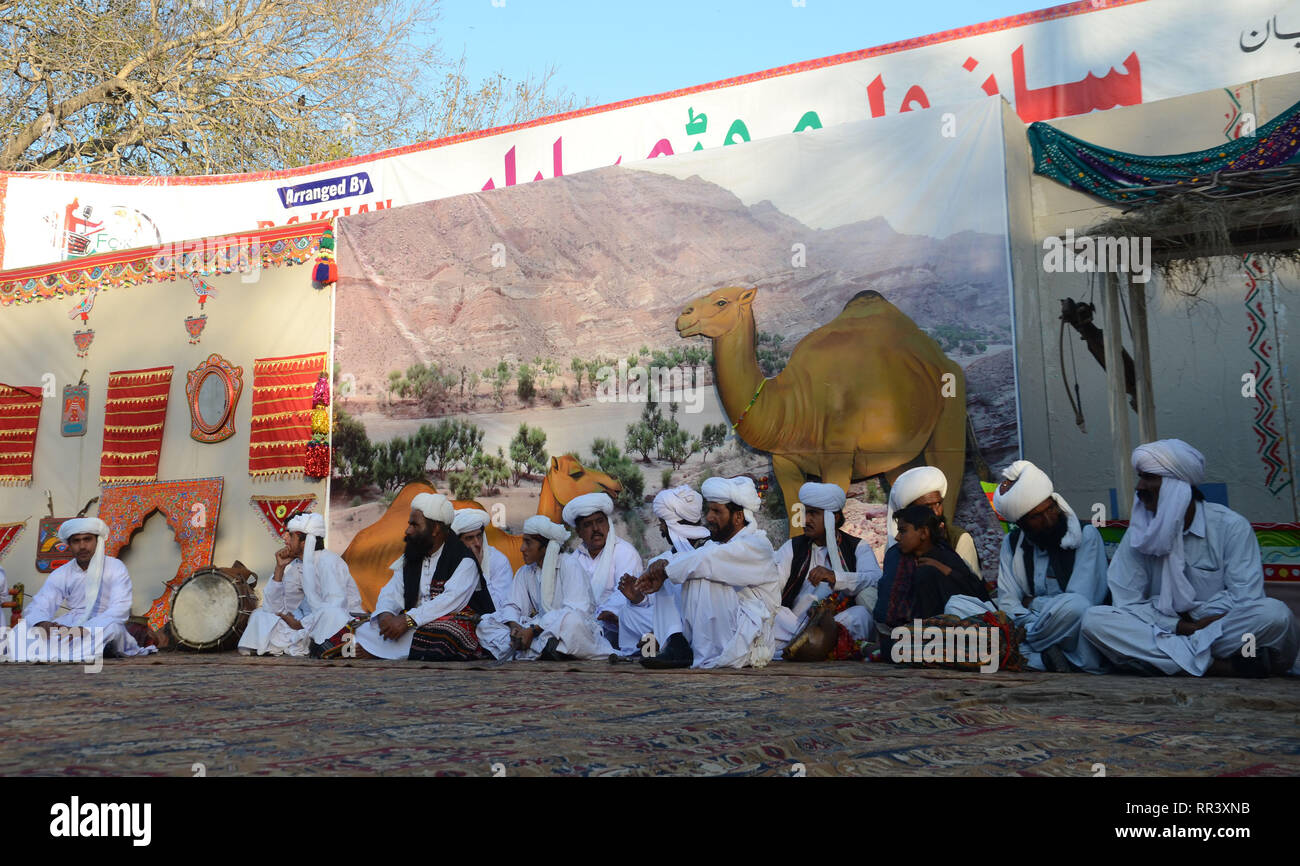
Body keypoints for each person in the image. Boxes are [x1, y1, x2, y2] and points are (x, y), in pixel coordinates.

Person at [1082, 439, 1300, 677]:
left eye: (1149, 478)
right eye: (1140, 477)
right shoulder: (1139, 533)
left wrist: (1198, 620)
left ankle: (1162, 661)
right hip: (1168, 631)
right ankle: (1221, 666)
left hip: (1219, 631)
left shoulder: (1231, 527)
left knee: (1274, 615)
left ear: (1177, 486)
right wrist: (1184, 626)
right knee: (1095, 620)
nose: (1140, 487)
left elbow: (1246, 599)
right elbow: (1126, 602)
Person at [635, 476, 780, 669]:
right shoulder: (715, 545)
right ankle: (677, 642)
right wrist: (661, 567)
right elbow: (699, 557)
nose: (709, 518)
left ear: (738, 517)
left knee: (699, 572)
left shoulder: (757, 545)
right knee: (671, 571)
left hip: (751, 637)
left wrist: (667, 569)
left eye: (717, 511)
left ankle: (696, 650)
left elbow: (710, 559)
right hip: (726, 630)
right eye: (709, 510)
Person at [992, 460, 1108, 673]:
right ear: (1021, 523)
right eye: (1037, 516)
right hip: (1026, 625)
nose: (1048, 519)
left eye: (1051, 508)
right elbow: (1008, 603)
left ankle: (1024, 651)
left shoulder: (1087, 535)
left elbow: (1084, 599)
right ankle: (1044, 657)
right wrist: (1030, 620)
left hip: (1070, 629)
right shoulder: (1012, 543)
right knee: (959, 604)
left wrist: (1033, 603)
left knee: (1076, 606)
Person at [352, 492, 494, 661]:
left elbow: (449, 602)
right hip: (411, 625)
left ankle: (380, 652)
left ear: (434, 529)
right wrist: (385, 615)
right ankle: (389, 651)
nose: (408, 530)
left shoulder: (464, 561)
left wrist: (409, 620)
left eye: (414, 525)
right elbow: (392, 591)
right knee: (363, 628)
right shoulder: (413, 554)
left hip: (449, 623)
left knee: (444, 635)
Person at [8, 517, 154, 661]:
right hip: (72, 622)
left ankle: (76, 650)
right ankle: (86, 651)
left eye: (87, 539)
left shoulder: (115, 567)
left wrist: (85, 629)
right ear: (69, 545)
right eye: (76, 541)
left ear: (97, 541)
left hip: (104, 622)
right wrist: (43, 622)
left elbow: (120, 608)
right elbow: (42, 603)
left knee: (112, 630)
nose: (82, 546)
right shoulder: (62, 573)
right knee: (20, 631)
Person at [773, 482, 882, 655]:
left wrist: (836, 578)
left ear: (835, 517)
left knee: (861, 615)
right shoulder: (793, 547)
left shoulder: (857, 547)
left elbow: (875, 578)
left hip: (835, 623)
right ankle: (809, 644)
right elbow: (773, 583)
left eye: (813, 514)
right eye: (805, 512)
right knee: (771, 613)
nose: (806, 520)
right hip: (793, 624)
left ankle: (810, 645)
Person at [239, 512, 365, 658]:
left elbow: (335, 607)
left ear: (304, 543)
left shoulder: (328, 561)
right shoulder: (297, 565)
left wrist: (300, 624)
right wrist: (279, 568)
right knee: (260, 615)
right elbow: (273, 607)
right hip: (310, 621)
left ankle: (313, 643)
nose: (285, 538)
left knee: (331, 614)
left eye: (290, 535)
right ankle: (306, 643)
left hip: (341, 621)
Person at [875, 466, 981, 629]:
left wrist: (943, 569)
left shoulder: (957, 540)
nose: (936, 513)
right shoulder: (896, 553)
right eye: (927, 508)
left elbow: (972, 593)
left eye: (938, 504)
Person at [612, 486, 710, 659]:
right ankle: (667, 642)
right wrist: (638, 599)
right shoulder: (661, 559)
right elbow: (657, 608)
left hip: (707, 621)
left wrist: (667, 570)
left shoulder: (712, 550)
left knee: (662, 573)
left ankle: (671, 643)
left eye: (663, 523)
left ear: (672, 523)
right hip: (677, 623)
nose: (661, 530)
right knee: (629, 613)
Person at [560, 493, 645, 655]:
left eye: (600, 522)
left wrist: (608, 612)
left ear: (608, 523)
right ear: (578, 531)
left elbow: (624, 593)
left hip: (614, 627)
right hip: (582, 625)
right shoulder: (573, 560)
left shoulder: (624, 552)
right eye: (588, 525)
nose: (596, 529)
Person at [476, 515, 571, 660]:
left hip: (562, 629)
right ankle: (544, 649)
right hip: (535, 630)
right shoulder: (524, 572)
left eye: (528, 543)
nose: (522, 548)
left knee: (574, 622)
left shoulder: (569, 565)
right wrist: (516, 627)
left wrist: (533, 630)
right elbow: (513, 606)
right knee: (485, 624)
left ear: (546, 547)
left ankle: (538, 649)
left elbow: (575, 611)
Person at [884, 504, 990, 628]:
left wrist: (943, 569)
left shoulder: (944, 558)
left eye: (903, 531)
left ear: (923, 533)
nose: (897, 537)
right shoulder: (899, 558)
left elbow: (973, 590)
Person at [451, 507, 514, 612]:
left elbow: (498, 608)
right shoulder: (450, 559)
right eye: (469, 538)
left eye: (479, 536)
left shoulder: (498, 560)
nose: (477, 543)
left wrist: (478, 571)